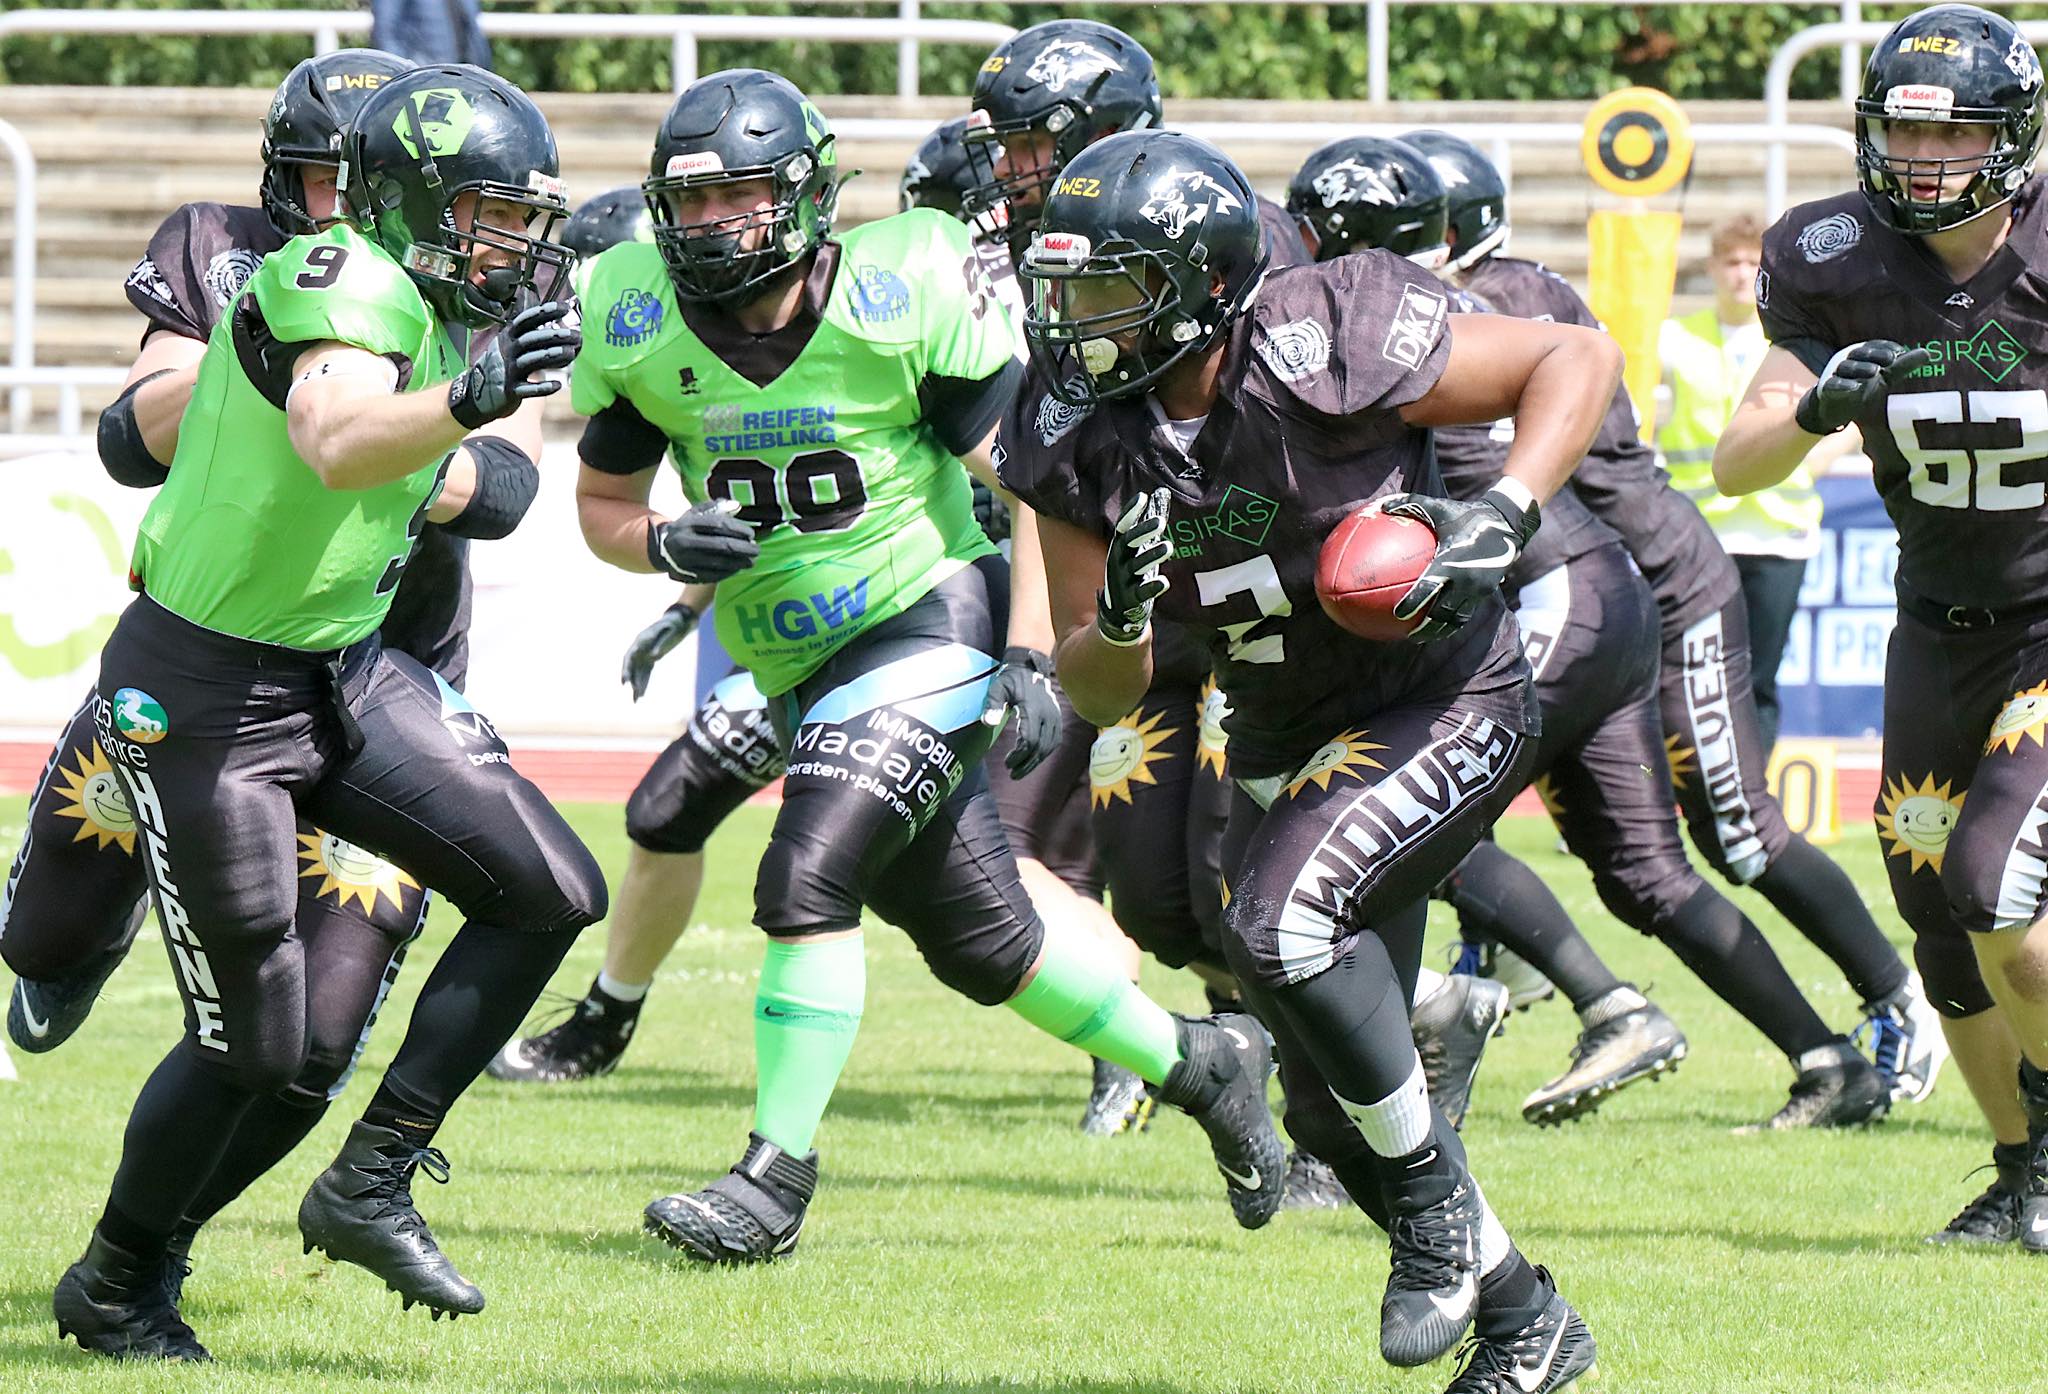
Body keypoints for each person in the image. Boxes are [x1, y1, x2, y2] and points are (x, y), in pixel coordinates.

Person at [569, 70, 1285, 1265]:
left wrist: (1021, 654)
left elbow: (1027, 478)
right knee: (985, 944)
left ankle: (773, 1174)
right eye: (688, 205)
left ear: (802, 196)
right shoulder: (634, 309)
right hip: (794, 656)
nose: (709, 228)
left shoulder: (900, 284)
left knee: (806, 872)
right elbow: (600, 501)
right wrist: (656, 542)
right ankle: (1206, 1064)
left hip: (923, 614)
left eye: (737, 198)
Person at [1004, 128, 1612, 1393]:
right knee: (1328, 1107)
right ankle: (1523, 1320)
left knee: (1279, 927)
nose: (1075, 322)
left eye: (1108, 288)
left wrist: (1502, 510)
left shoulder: (1322, 326)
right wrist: (1117, 618)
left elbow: (1573, 354)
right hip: (1281, 728)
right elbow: (1088, 680)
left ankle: (1438, 1214)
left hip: (1437, 693)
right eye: (1062, 288)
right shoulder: (1070, 423)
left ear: (1202, 282)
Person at [50, 66, 600, 1360]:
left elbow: (489, 471)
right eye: (488, 216)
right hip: (207, 692)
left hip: (342, 669)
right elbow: (339, 436)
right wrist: (467, 400)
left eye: (523, 219)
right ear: (408, 204)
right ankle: (116, 1281)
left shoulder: (428, 289)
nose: (510, 246)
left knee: (551, 888)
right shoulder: (333, 277)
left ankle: (373, 1171)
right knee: (257, 1045)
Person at [1411, 126, 1948, 1123]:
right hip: (1583, 589)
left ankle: (1896, 994)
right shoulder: (1460, 301)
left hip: (1652, 578)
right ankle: (1816, 1056)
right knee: (1637, 870)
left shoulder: (1508, 299)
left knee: (1736, 831)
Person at [1717, 4, 2048, 1245]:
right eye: (1903, 132)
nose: (1921, 159)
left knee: (1990, 877)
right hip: (1935, 626)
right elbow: (1738, 459)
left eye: (1953, 132)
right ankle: (2019, 1169)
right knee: (1934, 912)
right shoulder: (1828, 255)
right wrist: (1810, 411)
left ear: (2011, 137)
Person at [1286, 134, 1691, 1129]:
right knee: (1648, 870)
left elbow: (1568, 386)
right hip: (1538, 584)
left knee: (1413, 816)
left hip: (1544, 583)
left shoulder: (1412, 330)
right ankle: (1561, 999)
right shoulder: (1378, 320)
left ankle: (1584, 1002)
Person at [1657, 214, 1847, 755]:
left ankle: (1754, 805)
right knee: (1681, 678)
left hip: (1780, 536)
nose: (1741, 274)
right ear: (1712, 269)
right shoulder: (1674, 338)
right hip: (1697, 536)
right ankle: (1670, 800)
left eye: (1750, 263)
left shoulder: (1799, 337)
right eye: (1730, 262)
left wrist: (1808, 459)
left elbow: (1854, 419)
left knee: (1759, 680)